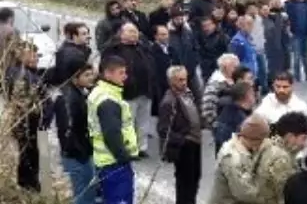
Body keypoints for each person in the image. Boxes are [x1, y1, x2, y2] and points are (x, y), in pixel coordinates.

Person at [88, 55, 142, 204]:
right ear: (108, 73)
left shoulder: (99, 93)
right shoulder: (109, 100)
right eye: (121, 72)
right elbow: (112, 134)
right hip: (114, 163)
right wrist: (124, 157)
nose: (125, 77)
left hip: (101, 160)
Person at [54, 56, 98, 204]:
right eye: (87, 75)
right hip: (77, 156)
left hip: (82, 152)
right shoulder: (68, 99)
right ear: (74, 77)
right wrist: (81, 153)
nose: (91, 78)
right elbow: (68, 133)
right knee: (83, 198)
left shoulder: (79, 93)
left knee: (85, 197)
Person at [157, 66, 207, 204]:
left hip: (195, 141)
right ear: (171, 81)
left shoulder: (187, 93)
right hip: (184, 145)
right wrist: (183, 139)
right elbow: (163, 129)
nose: (184, 82)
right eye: (180, 80)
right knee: (184, 179)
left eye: (185, 79)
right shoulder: (169, 101)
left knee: (195, 176)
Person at [104, 22, 156, 159]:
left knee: (143, 122)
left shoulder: (143, 47)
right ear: (122, 33)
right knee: (128, 122)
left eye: (136, 32)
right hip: (127, 92)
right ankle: (128, 148)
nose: (134, 34)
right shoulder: (115, 49)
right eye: (131, 31)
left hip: (145, 90)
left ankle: (141, 147)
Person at [4, 41, 47, 191]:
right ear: (20, 56)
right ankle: (30, 185)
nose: (36, 58)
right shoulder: (21, 75)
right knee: (30, 154)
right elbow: (27, 101)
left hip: (27, 121)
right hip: (28, 122)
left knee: (28, 153)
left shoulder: (22, 72)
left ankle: (27, 182)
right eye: (33, 55)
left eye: (37, 55)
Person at [213, 81, 256, 156]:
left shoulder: (226, 110)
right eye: (253, 94)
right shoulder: (241, 120)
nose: (254, 96)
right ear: (248, 96)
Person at [167, 8, 202, 98]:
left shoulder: (188, 32)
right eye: (177, 19)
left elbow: (196, 47)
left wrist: (195, 61)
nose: (179, 21)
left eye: (181, 18)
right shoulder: (168, 34)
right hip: (177, 72)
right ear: (172, 19)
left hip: (192, 70)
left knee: (199, 93)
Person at [284, 0, 307, 83]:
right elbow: (286, 18)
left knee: (306, 56)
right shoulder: (290, 4)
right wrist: (288, 30)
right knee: (296, 56)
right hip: (296, 34)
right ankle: (296, 77)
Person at [202, 54, 240, 129]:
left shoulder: (234, 80)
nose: (237, 70)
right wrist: (217, 126)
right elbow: (207, 108)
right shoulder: (215, 84)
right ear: (225, 68)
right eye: (234, 67)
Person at [49, 22, 92, 86]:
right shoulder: (75, 54)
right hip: (71, 87)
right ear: (75, 36)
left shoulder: (67, 47)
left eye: (88, 33)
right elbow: (85, 75)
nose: (88, 36)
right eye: (84, 34)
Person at [196, 16, 230, 81]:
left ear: (214, 25)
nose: (206, 28)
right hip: (205, 70)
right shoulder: (200, 38)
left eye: (208, 25)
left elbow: (227, 54)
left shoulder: (222, 37)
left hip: (218, 69)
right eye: (204, 26)